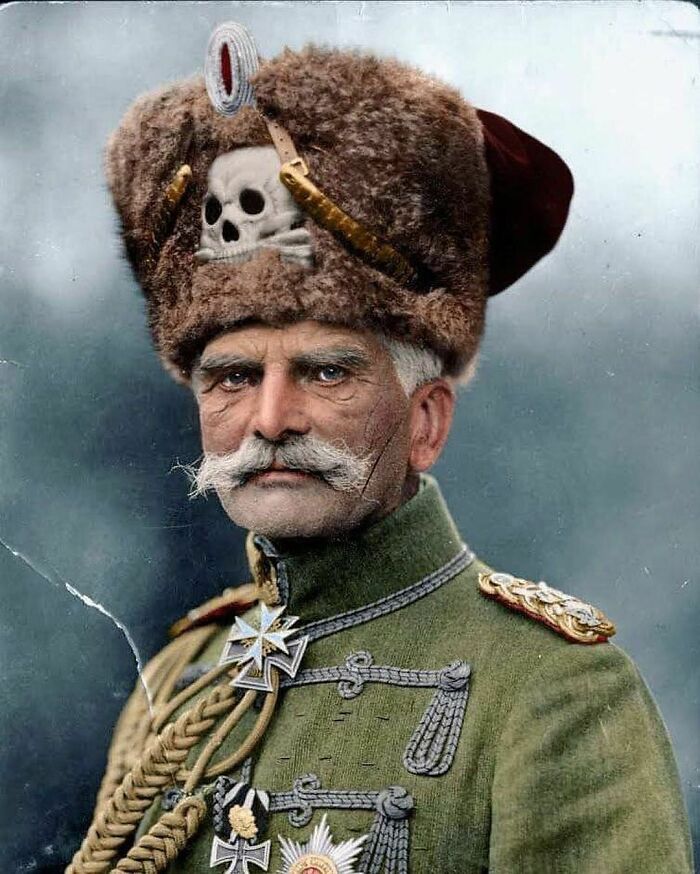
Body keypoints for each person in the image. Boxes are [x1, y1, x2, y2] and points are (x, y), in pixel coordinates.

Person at [66, 21, 693, 874]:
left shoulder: (555, 694)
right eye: (233, 376)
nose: (270, 419)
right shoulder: (183, 677)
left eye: (327, 372)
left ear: (426, 421)